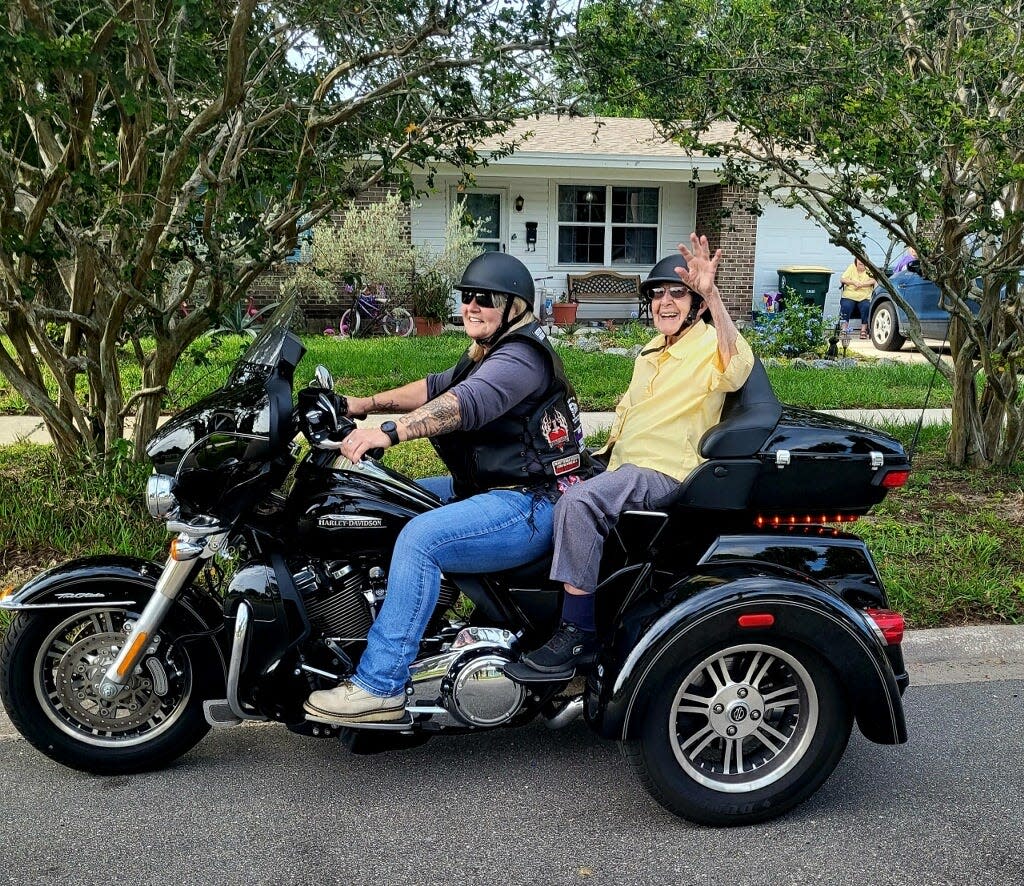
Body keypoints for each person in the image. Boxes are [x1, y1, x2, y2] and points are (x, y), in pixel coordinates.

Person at [303, 252, 594, 724]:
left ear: (515, 307)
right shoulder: (488, 350)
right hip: (491, 488)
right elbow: (436, 387)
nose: (471, 306)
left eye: (485, 299)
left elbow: (467, 403)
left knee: (419, 539)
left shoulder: (521, 357)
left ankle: (380, 685)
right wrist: (362, 403)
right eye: (466, 297)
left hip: (532, 501)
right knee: (384, 499)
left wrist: (389, 432)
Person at [512, 234, 755, 679]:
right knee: (537, 484)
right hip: (623, 463)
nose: (665, 302)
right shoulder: (648, 353)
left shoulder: (708, 345)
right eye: (658, 294)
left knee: (579, 503)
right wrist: (583, 459)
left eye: (677, 293)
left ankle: (576, 633)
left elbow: (739, 367)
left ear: (695, 304)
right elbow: (626, 413)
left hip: (664, 470)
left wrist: (714, 294)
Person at [840, 257, 875, 339]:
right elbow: (842, 279)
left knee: (866, 306)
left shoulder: (869, 269)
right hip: (850, 295)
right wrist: (853, 282)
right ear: (856, 262)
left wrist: (862, 284)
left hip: (864, 296)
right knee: (846, 306)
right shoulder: (851, 267)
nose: (861, 263)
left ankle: (863, 330)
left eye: (863, 262)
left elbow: (874, 280)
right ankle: (844, 329)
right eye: (859, 261)